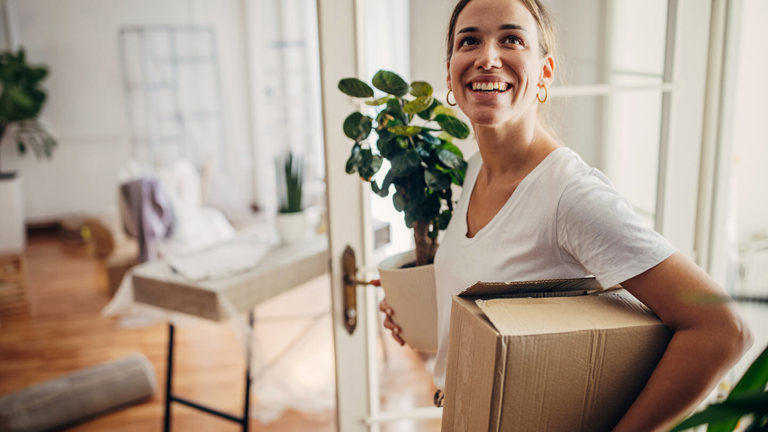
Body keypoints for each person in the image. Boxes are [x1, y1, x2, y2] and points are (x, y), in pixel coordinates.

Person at [379, 0, 753, 430]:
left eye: (511, 39)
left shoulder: (569, 195)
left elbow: (722, 330)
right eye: (470, 41)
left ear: (545, 71)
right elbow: (490, 300)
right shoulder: (476, 167)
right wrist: (422, 315)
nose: (487, 57)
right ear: (450, 72)